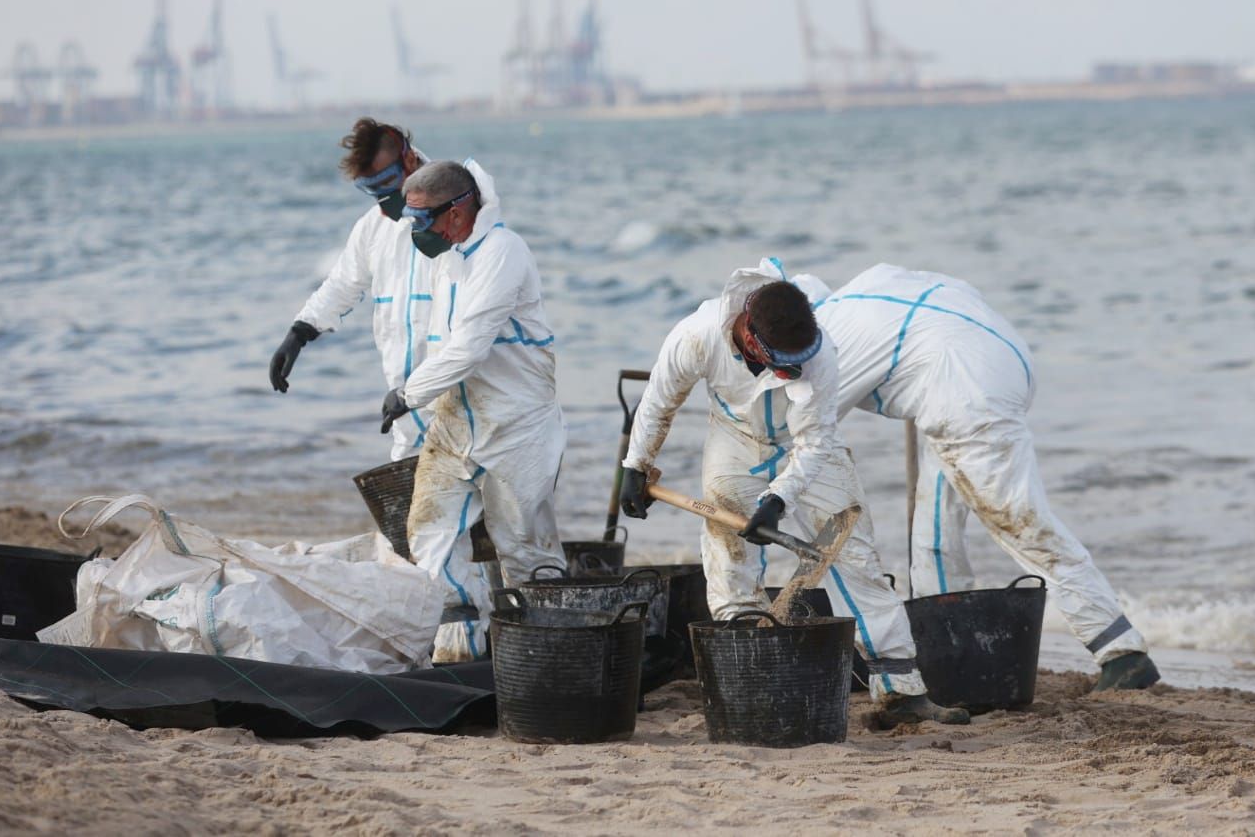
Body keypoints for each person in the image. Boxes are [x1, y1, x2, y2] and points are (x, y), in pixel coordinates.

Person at [616, 258, 967, 725]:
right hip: (734, 441)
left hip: (806, 449)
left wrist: (779, 499)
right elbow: (660, 400)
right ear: (747, 334)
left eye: (794, 367)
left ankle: (900, 691)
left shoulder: (819, 355)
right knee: (729, 558)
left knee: (856, 557)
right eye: (780, 367)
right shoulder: (696, 335)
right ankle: (749, 683)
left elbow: (816, 442)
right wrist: (636, 467)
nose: (789, 374)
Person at [809, 263, 1159, 690]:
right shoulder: (873, 284)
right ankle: (943, 644)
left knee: (1019, 522)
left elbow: (808, 433)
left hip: (966, 395)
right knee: (935, 531)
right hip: (995, 363)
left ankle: (1120, 650)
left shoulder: (828, 338)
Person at [380, 159, 567, 662]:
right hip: (457, 419)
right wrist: (419, 394)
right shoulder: (449, 257)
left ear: (458, 211)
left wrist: (407, 394)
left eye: (422, 219)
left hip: (517, 423)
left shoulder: (503, 252)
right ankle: (462, 646)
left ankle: (549, 656)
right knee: (428, 532)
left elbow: (469, 348)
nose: (416, 230)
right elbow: (438, 341)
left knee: (524, 548)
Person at [267, 118, 435, 461]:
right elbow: (343, 283)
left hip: (462, 411)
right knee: (414, 513)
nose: (384, 197)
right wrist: (299, 332)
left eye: (388, 182)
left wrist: (417, 391)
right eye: (371, 188)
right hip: (406, 416)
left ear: (410, 160)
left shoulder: (461, 217)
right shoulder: (373, 228)